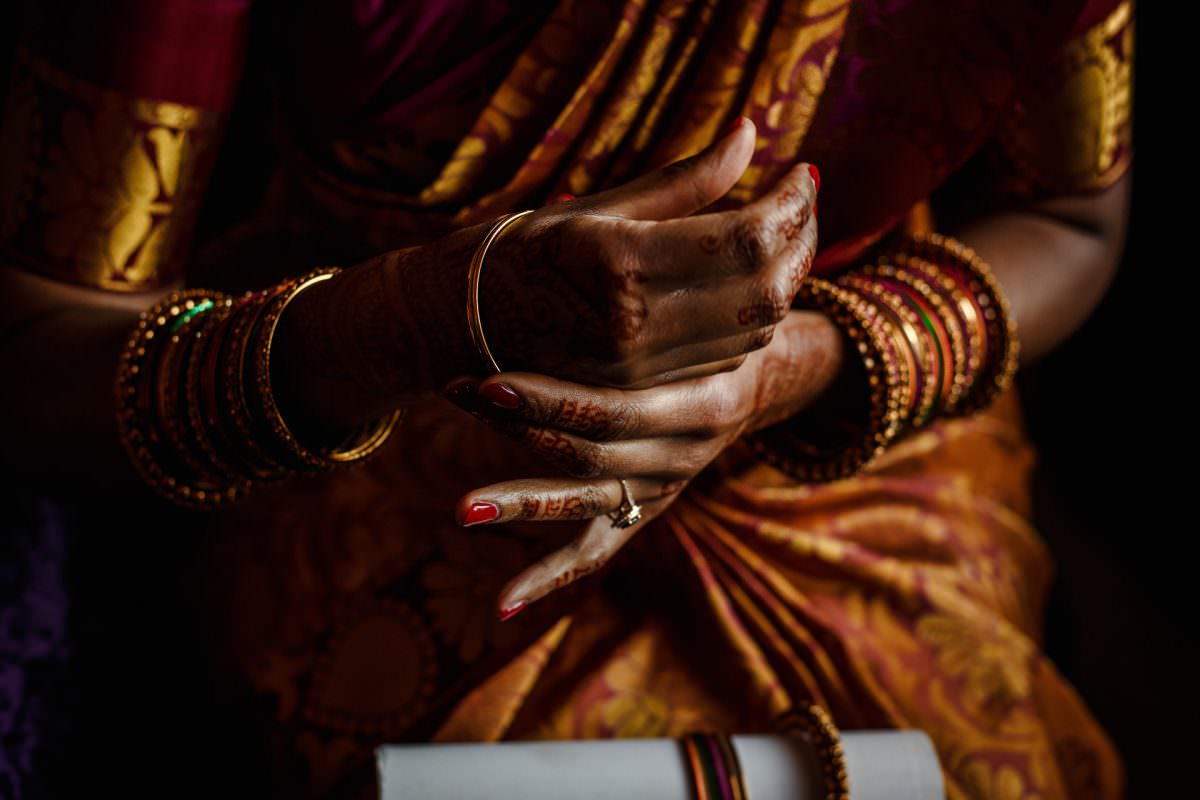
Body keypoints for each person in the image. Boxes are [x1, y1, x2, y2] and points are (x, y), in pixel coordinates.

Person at [0, 0, 1132, 797]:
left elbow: (1075, 222)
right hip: (370, 430)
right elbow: (38, 343)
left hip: (849, 449)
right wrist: (411, 318)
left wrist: (807, 362)